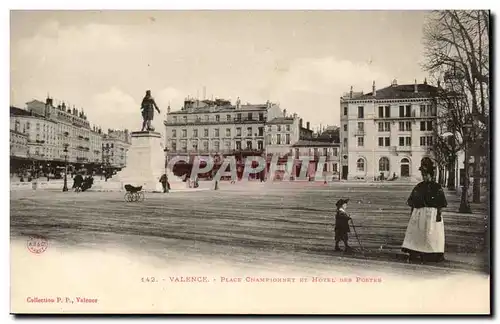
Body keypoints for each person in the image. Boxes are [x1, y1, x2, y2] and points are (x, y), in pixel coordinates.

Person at [402, 158, 448, 263]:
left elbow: (440, 202)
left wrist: (439, 213)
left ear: (431, 175)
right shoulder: (419, 186)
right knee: (417, 233)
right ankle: (416, 252)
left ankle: (432, 254)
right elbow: (413, 202)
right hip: (419, 214)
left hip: (432, 214)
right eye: (423, 175)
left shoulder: (437, 187)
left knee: (431, 234)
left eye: (426, 175)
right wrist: (412, 214)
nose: (424, 177)